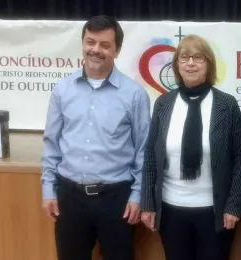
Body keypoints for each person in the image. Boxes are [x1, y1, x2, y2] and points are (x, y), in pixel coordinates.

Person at [40, 15, 151, 260]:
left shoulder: (134, 95)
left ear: (117, 50)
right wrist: (48, 190)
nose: (95, 50)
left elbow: (144, 150)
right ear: (82, 43)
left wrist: (136, 195)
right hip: (70, 198)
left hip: (116, 200)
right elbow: (52, 144)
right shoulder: (62, 90)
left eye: (104, 44)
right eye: (90, 42)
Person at [140, 34, 241, 260]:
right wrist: (148, 203)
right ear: (177, 65)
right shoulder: (164, 104)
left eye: (198, 57)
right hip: (171, 210)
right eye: (184, 57)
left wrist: (234, 205)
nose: (190, 63)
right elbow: (151, 156)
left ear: (208, 63)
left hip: (215, 211)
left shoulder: (226, 105)